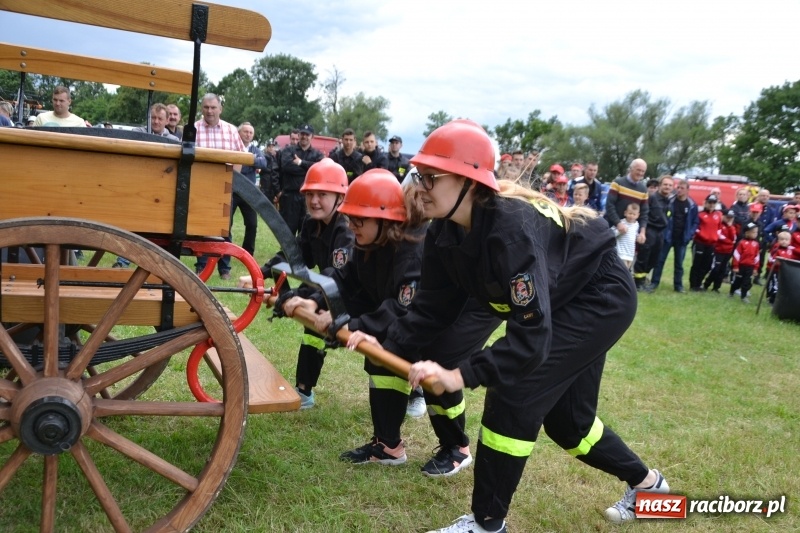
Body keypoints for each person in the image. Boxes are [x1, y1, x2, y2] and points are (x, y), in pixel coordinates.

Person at [347, 120, 669, 532]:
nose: (417, 186)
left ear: (467, 181)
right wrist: (376, 336)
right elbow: (431, 312)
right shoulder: (444, 232)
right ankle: (651, 488)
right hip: (569, 295)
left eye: (430, 177)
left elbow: (530, 340)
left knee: (515, 392)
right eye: (418, 174)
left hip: (598, 296)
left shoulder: (509, 231)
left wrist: (460, 374)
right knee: (571, 425)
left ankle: (486, 524)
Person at [282, 168, 501, 476]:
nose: (352, 225)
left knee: (438, 359)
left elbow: (402, 307)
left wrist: (357, 326)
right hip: (423, 310)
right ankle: (388, 446)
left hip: (471, 306)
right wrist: (313, 298)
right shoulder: (369, 242)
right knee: (382, 356)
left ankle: (457, 447)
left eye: (360, 219)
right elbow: (344, 277)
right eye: (350, 218)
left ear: (384, 219)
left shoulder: (413, 251)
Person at [250, 158, 353, 408]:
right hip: (329, 292)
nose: (314, 201)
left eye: (322, 194)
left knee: (390, 349)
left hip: (355, 294)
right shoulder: (311, 223)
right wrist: (259, 273)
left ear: (340, 197)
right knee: (312, 331)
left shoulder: (346, 230)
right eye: (310, 194)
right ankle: (304, 391)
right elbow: (293, 255)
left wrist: (304, 296)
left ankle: (415, 394)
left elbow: (336, 275)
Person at [193, 93, 246, 280]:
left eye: (213, 107)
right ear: (202, 109)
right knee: (201, 228)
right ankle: (201, 267)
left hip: (224, 187)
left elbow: (240, 156)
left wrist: (233, 182)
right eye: (206, 107)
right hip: (200, 187)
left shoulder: (231, 130)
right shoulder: (193, 129)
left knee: (225, 228)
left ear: (220, 109)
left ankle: (224, 269)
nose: (209, 111)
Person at [276, 123, 324, 235]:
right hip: (290, 197)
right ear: (299, 135)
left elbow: (320, 168)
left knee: (306, 231)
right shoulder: (288, 151)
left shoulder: (317, 154)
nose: (304, 137)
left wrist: (301, 163)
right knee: (288, 232)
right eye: (302, 134)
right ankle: (286, 253)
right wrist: (309, 169)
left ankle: (303, 253)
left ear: (312, 136)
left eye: (307, 134)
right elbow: (286, 166)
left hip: (308, 198)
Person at [651, 178, 698, 292]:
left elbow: (695, 222)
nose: (679, 190)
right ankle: (654, 283)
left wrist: (690, 235)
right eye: (678, 188)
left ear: (687, 190)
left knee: (679, 264)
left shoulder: (692, 205)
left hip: (682, 238)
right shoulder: (670, 201)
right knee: (660, 261)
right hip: (668, 236)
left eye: (682, 188)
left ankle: (678, 285)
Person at [234, 122, 268, 256]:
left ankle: (247, 253)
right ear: (239, 133)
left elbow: (263, 163)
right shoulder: (233, 147)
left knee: (252, 224)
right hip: (233, 190)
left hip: (249, 191)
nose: (248, 134)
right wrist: (253, 162)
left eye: (250, 133)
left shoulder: (255, 149)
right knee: (226, 225)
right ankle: (224, 255)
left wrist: (244, 160)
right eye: (245, 132)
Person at [633, 175, 672, 291]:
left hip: (660, 233)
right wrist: (643, 231)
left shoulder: (669, 201)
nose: (667, 187)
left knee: (654, 259)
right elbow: (644, 214)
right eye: (665, 184)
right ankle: (638, 283)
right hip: (650, 230)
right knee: (643, 257)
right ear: (660, 185)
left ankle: (643, 281)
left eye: (670, 185)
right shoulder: (651, 198)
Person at [604, 159, 648, 249]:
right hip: (611, 228)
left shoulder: (643, 190)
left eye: (643, 171)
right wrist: (618, 223)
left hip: (629, 234)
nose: (640, 173)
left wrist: (642, 232)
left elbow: (644, 213)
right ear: (631, 169)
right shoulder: (618, 183)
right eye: (638, 170)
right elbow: (610, 205)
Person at [689, 195, 723, 291]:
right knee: (697, 264)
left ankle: (699, 283)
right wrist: (701, 234)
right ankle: (693, 285)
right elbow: (695, 227)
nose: (711, 205)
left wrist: (716, 237)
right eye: (710, 202)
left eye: (713, 203)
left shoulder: (718, 215)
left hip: (711, 244)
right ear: (706, 202)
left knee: (707, 265)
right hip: (700, 243)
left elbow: (719, 228)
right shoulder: (700, 214)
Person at [702, 210, 738, 293]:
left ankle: (716, 287)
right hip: (718, 251)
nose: (729, 219)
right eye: (727, 217)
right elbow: (720, 237)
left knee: (722, 270)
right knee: (715, 268)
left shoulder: (732, 227)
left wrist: (729, 227)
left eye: (731, 218)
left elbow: (734, 238)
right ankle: (706, 284)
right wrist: (730, 241)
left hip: (727, 252)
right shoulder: (719, 225)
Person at [730, 222, 760, 303]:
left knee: (746, 282)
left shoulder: (756, 244)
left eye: (756, 232)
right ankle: (732, 292)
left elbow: (757, 257)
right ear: (747, 232)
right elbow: (736, 255)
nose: (755, 234)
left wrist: (755, 268)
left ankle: (743, 296)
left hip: (750, 267)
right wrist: (735, 266)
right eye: (753, 232)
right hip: (741, 266)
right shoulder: (741, 243)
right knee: (737, 281)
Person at [766, 230, 795, 304]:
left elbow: (792, 259)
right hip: (776, 270)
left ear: (789, 241)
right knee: (775, 285)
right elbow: (771, 259)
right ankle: (772, 299)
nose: (784, 242)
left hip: (786, 271)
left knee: (783, 285)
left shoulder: (791, 250)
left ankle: (781, 299)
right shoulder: (776, 249)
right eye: (782, 240)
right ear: (778, 240)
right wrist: (777, 262)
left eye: (786, 240)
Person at [613, 203, 639, 270]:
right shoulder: (621, 223)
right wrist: (619, 232)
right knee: (621, 271)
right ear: (625, 213)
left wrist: (638, 237)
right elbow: (611, 233)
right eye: (630, 213)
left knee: (627, 271)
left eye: (634, 214)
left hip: (630, 254)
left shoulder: (636, 225)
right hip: (621, 253)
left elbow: (635, 236)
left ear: (638, 215)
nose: (631, 216)